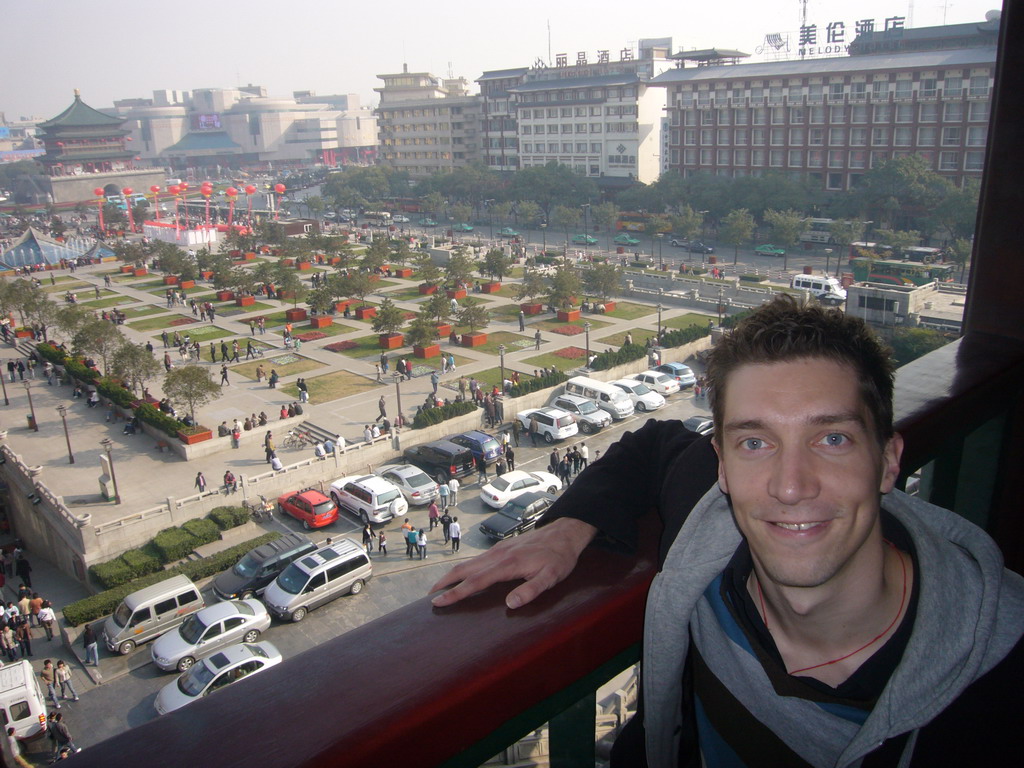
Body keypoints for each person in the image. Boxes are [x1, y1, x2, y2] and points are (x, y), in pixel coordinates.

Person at [428, 296, 1024, 767]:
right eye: (756, 442)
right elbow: (651, 445)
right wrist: (567, 526)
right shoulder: (707, 517)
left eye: (832, 439)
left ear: (889, 461)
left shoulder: (995, 684)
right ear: (722, 464)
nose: (790, 486)